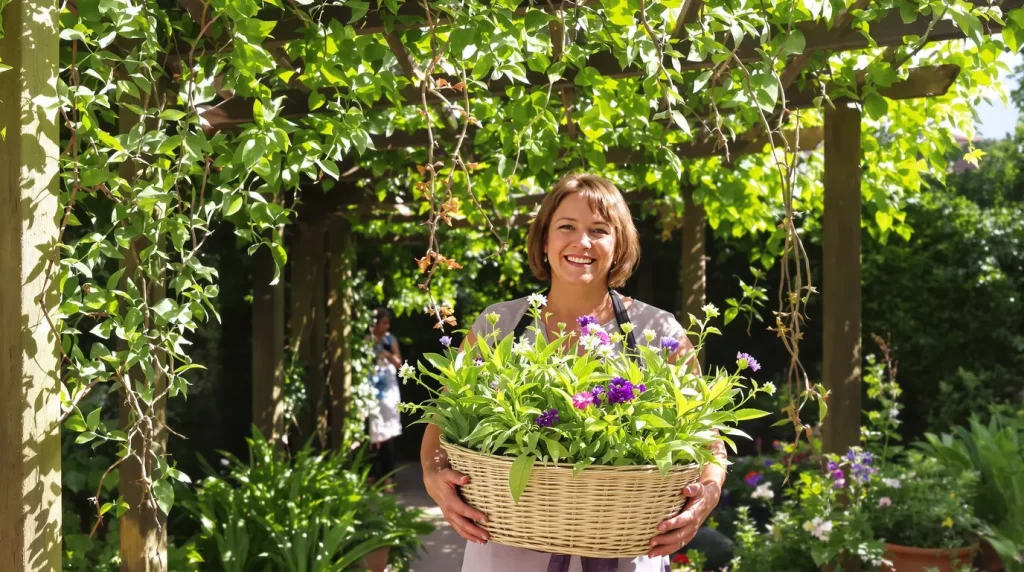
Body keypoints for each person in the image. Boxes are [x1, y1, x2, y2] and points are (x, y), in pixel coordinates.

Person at [419, 173, 728, 571]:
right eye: (567, 226)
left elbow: (709, 440)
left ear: (618, 246)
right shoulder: (499, 325)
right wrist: (434, 479)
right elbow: (441, 427)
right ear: (544, 239)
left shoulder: (658, 330)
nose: (581, 242)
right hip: (508, 552)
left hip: (627, 550)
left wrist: (705, 498)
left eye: (599, 230)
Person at [368, 306, 403, 487]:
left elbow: (400, 364)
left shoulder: (391, 340)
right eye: (383, 322)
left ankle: (389, 477)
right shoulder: (366, 340)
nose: (386, 326)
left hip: (388, 390)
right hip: (369, 390)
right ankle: (372, 475)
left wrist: (387, 354)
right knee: (371, 434)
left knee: (387, 433)